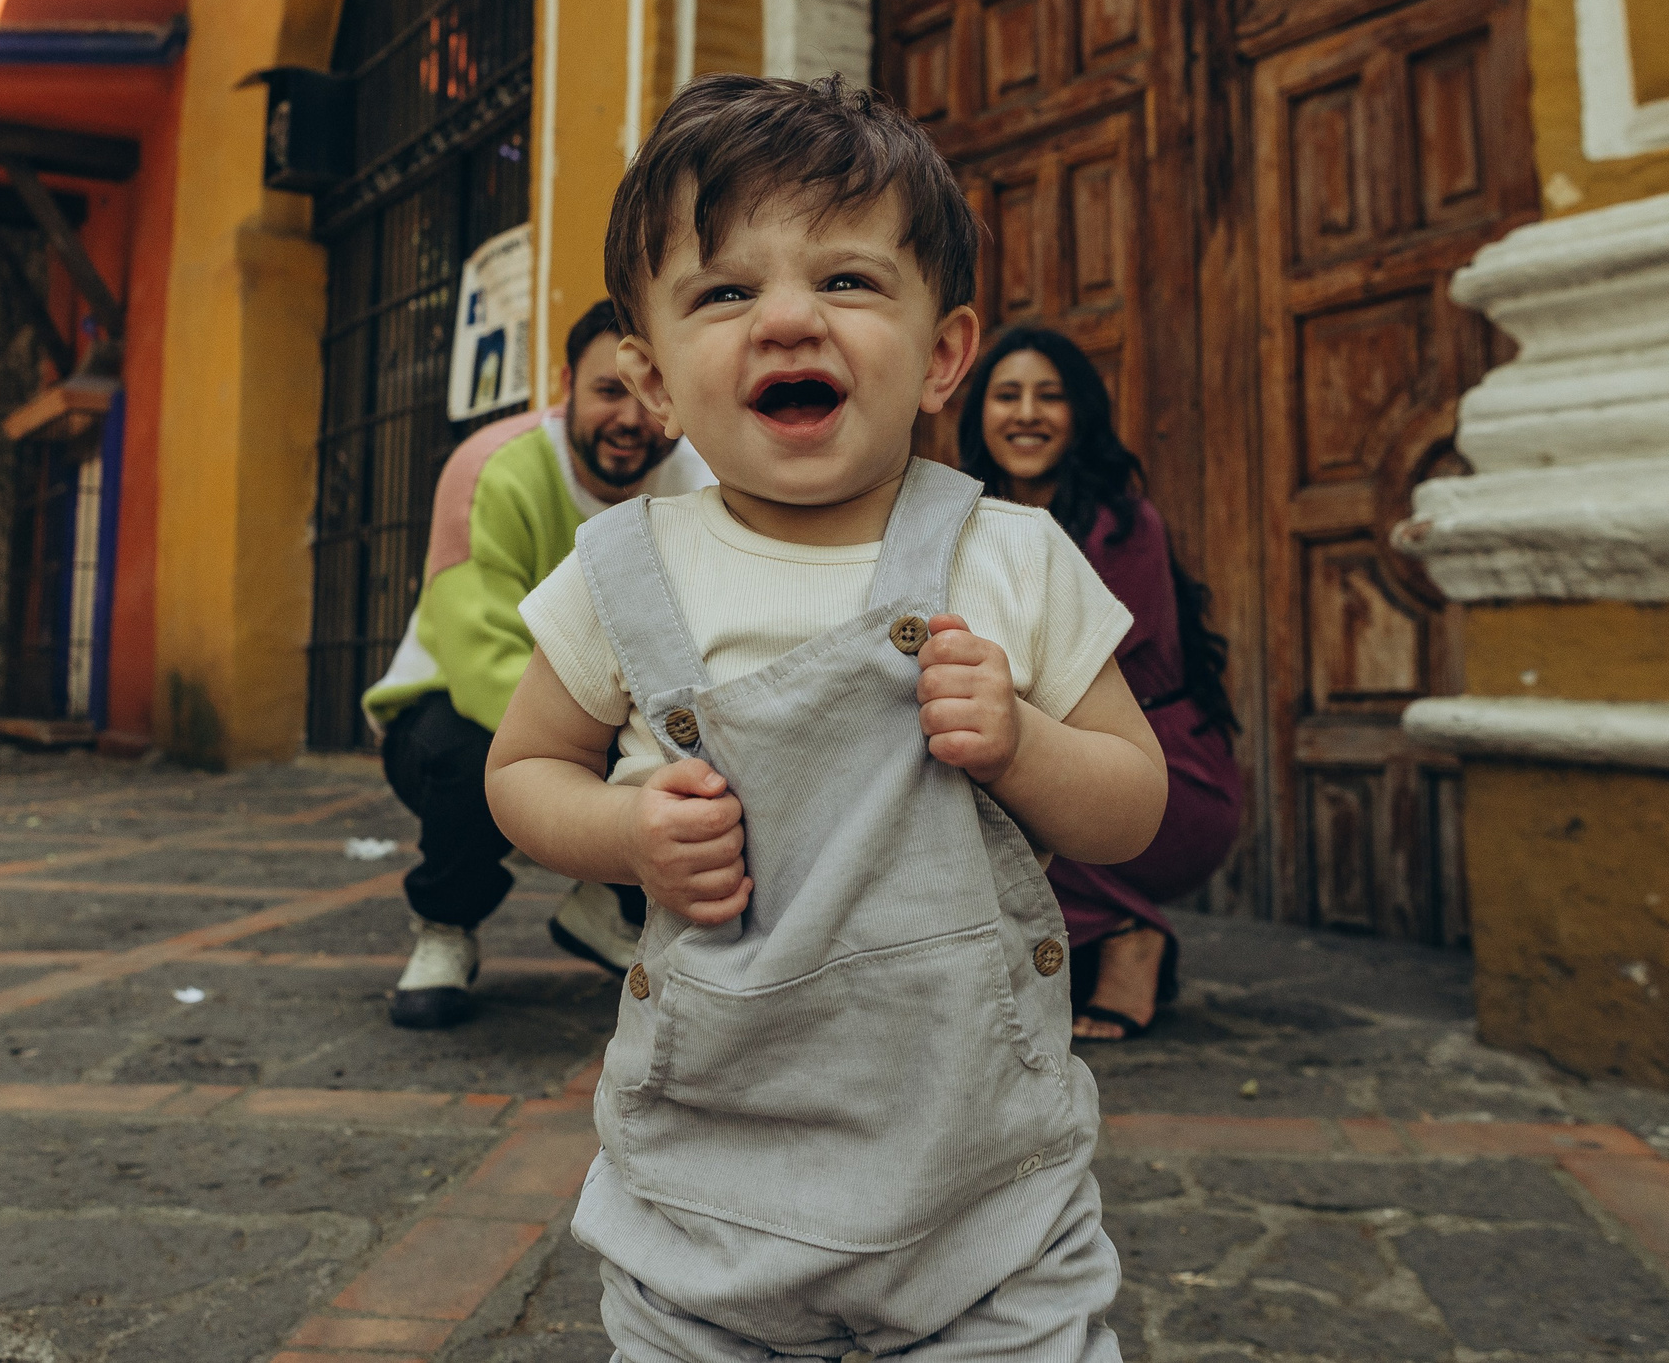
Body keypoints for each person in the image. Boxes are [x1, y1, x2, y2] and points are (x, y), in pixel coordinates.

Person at [488, 74, 1166, 1362]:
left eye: (848, 283)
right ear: (652, 374)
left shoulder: (1010, 557)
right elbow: (521, 768)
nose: (788, 316)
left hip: (981, 1194)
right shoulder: (620, 572)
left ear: (943, 352)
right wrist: (625, 828)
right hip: (707, 1185)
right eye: (725, 291)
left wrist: (1025, 742)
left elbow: (1134, 804)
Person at [362, 300, 713, 1030]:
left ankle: (604, 908)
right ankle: (444, 927)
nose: (628, 417)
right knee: (472, 759)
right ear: (565, 387)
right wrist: (589, 752)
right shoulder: (492, 468)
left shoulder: (701, 479)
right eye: (607, 390)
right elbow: (479, 652)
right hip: (454, 706)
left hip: (622, 715)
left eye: (648, 394)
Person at [960, 327, 1248, 1043]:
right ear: (978, 414)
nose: (1026, 413)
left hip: (1162, 774)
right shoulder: (964, 522)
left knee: (969, 809)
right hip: (1047, 755)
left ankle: (1129, 931)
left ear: (1080, 414)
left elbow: (1051, 677)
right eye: (1007, 395)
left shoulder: (1124, 525)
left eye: (1049, 396)